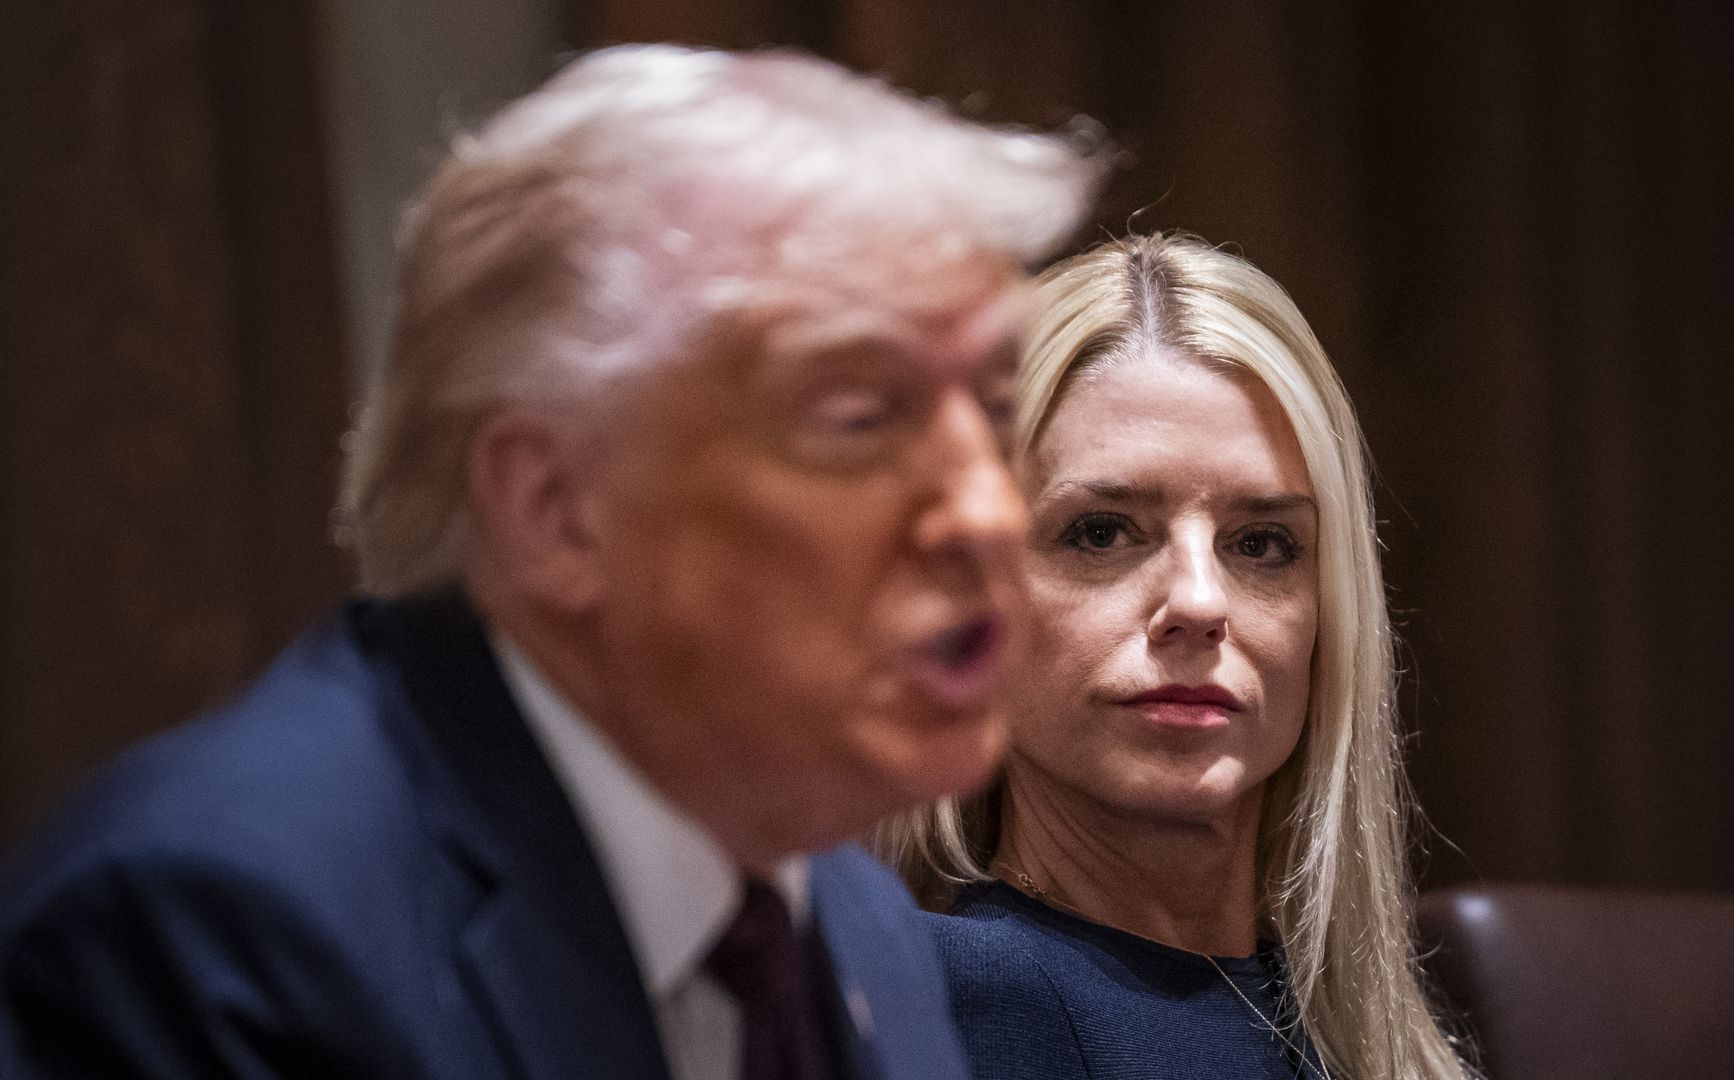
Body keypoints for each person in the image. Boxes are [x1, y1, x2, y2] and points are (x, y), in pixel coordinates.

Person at [0, 45, 1097, 1080]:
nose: (988, 512)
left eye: (995, 412)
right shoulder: (217, 931)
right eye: (861, 416)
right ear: (552, 510)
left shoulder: (857, 924)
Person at [879, 234, 1473, 1079]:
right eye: (1102, 531)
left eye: (1263, 544)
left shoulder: (1360, 1032)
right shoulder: (961, 1001)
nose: (1198, 602)